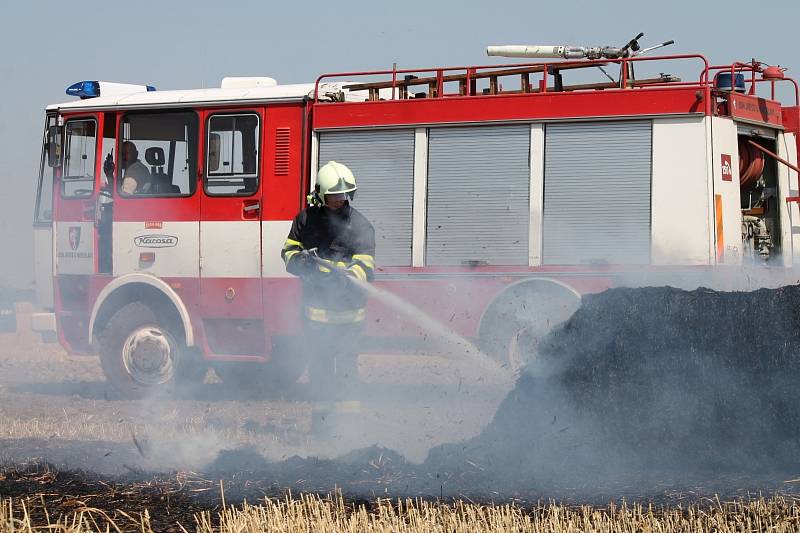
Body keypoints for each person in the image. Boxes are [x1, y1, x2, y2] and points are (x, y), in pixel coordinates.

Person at [281, 161, 376, 396]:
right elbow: (288, 252)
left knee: (346, 372)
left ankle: (348, 425)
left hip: (350, 315)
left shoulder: (360, 225)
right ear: (321, 194)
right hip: (316, 315)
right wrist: (302, 264)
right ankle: (321, 424)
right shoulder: (305, 220)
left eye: (344, 195)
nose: (339, 200)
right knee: (320, 371)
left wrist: (350, 278)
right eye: (334, 195)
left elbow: (367, 265)